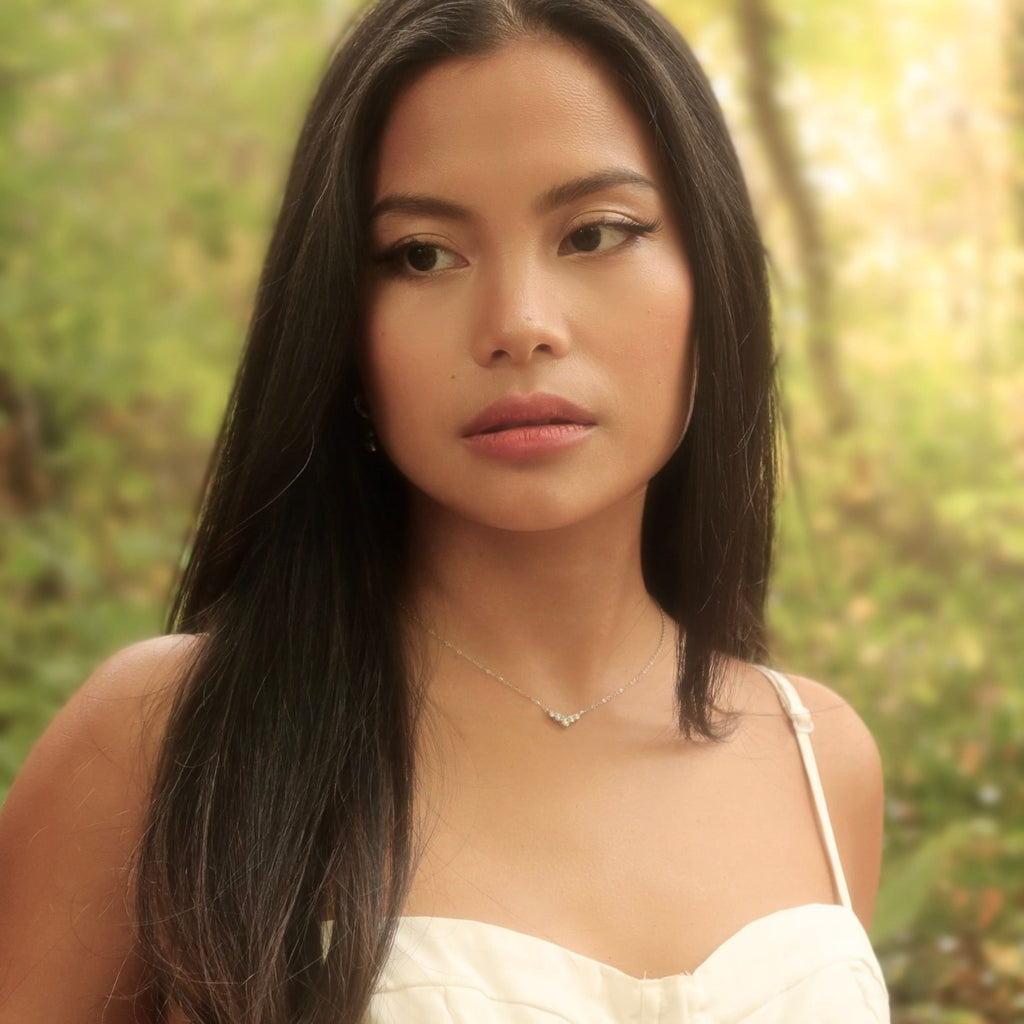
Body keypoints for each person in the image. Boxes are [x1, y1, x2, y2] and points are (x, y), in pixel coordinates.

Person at [0, 0, 889, 1020]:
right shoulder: (166, 738)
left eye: (595, 233)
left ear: (711, 274)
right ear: (343, 319)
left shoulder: (818, 759)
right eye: (422, 254)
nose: (519, 324)